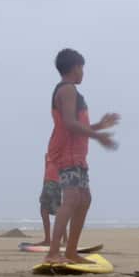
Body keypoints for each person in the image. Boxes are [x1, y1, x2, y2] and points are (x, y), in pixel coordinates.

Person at [43, 48, 119, 265]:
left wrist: (99, 126)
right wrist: (98, 136)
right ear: (75, 67)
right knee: (72, 199)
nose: (83, 72)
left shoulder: (71, 92)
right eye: (82, 68)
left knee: (84, 199)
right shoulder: (67, 90)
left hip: (77, 154)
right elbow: (68, 124)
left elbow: (77, 124)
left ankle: (71, 252)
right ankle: (52, 253)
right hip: (67, 153)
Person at [33, 154, 62, 247]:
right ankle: (47, 240)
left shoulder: (63, 154)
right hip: (47, 184)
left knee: (58, 212)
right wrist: (43, 186)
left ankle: (65, 240)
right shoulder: (47, 155)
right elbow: (46, 171)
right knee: (43, 211)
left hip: (56, 183)